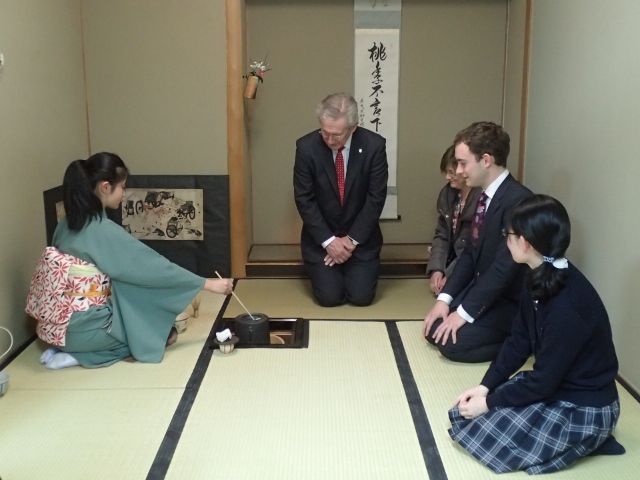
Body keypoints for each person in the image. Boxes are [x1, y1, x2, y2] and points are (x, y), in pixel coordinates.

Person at [448, 194, 624, 474]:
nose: (505, 240)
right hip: (555, 385)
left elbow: (542, 381)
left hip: (585, 406)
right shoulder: (537, 275)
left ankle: (592, 438)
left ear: (525, 242)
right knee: (466, 416)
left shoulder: (568, 304)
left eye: (508, 235)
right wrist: (486, 387)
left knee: (489, 439)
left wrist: (489, 403)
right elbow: (518, 341)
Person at [25, 152, 233, 369]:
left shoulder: (66, 223)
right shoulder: (102, 231)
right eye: (122, 187)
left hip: (52, 329)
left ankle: (65, 349)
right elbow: (154, 268)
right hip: (83, 332)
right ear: (105, 187)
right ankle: (79, 357)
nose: (124, 194)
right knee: (157, 336)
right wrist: (208, 284)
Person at [422, 121, 532, 363]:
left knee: (451, 345)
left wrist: (463, 313)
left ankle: (523, 342)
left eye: (463, 163)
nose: (459, 171)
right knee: (434, 330)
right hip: (485, 291)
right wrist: (444, 300)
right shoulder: (484, 197)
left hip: (510, 301)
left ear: (486, 160)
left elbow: (503, 269)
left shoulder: (518, 201)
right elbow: (470, 254)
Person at [293, 93, 388, 307]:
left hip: (360, 239)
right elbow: (304, 198)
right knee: (329, 298)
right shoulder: (307, 147)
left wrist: (350, 241)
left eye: (336, 135)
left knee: (361, 298)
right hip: (322, 239)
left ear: (353, 127)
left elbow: (375, 198)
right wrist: (329, 242)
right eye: (324, 132)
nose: (329, 140)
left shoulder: (374, 146)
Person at [426, 145, 481, 295]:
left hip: (474, 267)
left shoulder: (482, 200)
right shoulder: (448, 194)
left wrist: (451, 276)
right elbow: (442, 235)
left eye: (451, 172)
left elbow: (472, 247)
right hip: (453, 260)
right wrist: (437, 270)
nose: (447, 177)